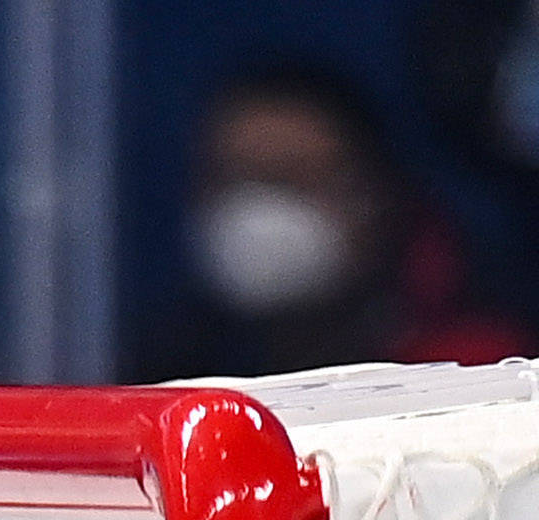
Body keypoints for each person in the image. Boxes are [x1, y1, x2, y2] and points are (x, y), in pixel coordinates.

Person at [139, 59, 530, 380]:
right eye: (233, 179)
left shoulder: (475, 368)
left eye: (289, 179)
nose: (258, 209)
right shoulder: (168, 369)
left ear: (371, 196)